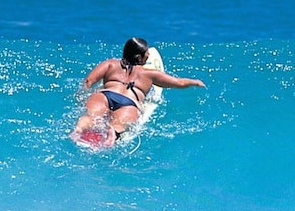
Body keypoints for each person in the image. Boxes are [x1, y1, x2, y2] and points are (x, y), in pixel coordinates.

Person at [71, 37, 205, 146]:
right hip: (128, 102)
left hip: (104, 95)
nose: (148, 55)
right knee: (119, 124)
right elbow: (179, 83)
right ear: (139, 58)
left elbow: (88, 81)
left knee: (90, 116)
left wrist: (82, 97)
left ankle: (78, 129)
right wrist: (195, 82)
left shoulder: (110, 64)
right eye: (146, 54)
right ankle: (113, 132)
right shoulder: (149, 74)